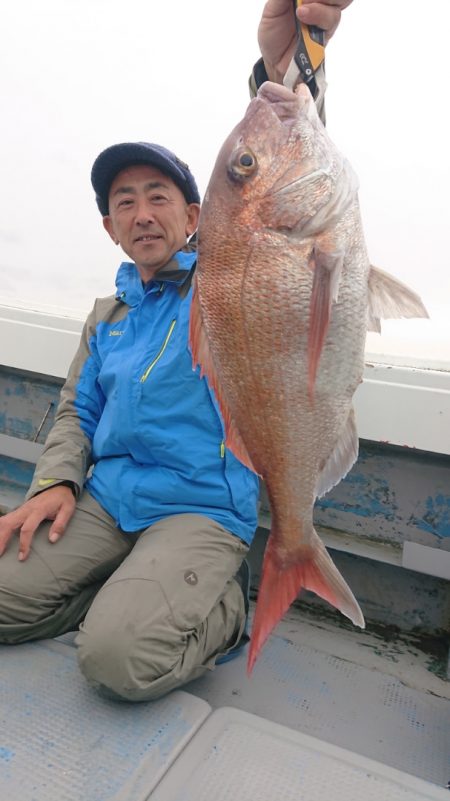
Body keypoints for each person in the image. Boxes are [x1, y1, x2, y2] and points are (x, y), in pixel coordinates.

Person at [0, 0, 353, 701]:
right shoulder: (108, 316)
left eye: (158, 195)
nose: (141, 213)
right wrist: (56, 483)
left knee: (116, 662)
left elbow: (280, 161)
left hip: (199, 505)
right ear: (111, 228)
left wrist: (285, 63)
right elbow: (76, 411)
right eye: (124, 202)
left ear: (197, 217)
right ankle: (118, 591)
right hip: (109, 498)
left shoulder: (228, 284)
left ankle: (224, 611)